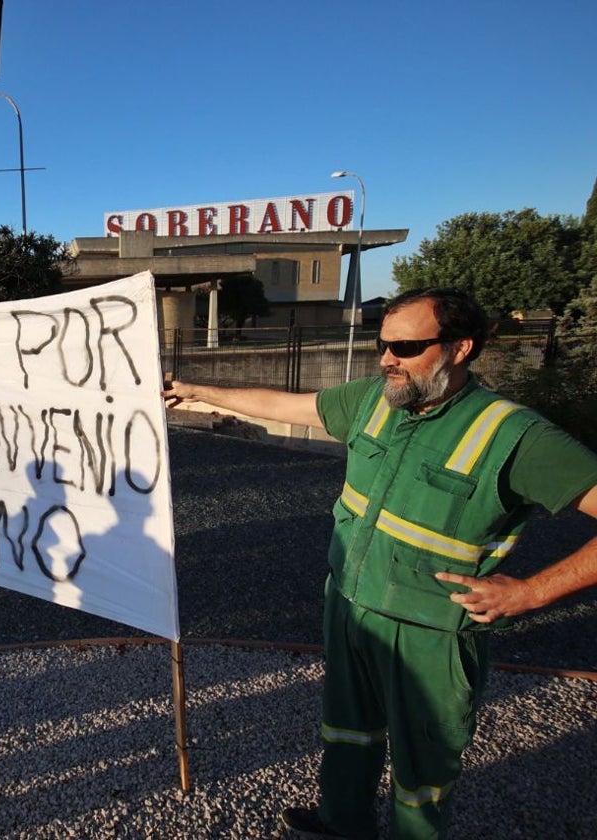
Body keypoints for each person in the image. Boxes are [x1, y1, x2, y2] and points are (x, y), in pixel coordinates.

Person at [162, 287, 597, 839]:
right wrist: (198, 390)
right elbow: (287, 405)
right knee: (347, 732)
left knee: (424, 767)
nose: (388, 358)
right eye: (382, 344)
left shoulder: (514, 435)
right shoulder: (375, 399)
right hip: (349, 606)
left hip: (432, 633)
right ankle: (343, 823)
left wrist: (531, 592)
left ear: (460, 348)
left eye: (407, 346)